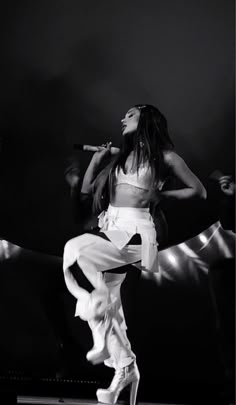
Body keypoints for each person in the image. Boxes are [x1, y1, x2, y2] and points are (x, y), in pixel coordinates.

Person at [63, 104, 207, 404]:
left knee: (76, 252)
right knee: (109, 301)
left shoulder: (166, 158)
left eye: (129, 114)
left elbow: (199, 190)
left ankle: (104, 339)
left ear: (146, 119)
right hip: (111, 227)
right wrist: (96, 160)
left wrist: (162, 195)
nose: (122, 119)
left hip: (137, 232)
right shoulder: (120, 155)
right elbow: (88, 191)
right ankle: (125, 367)